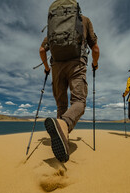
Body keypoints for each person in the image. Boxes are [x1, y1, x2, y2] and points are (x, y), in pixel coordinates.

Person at [39, 1, 100, 162]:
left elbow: (41, 50)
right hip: (77, 63)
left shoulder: (54, 25)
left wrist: (46, 68)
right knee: (79, 101)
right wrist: (95, 64)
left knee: (61, 105)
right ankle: (64, 124)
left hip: (57, 66)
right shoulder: (84, 20)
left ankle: (63, 140)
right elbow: (95, 49)